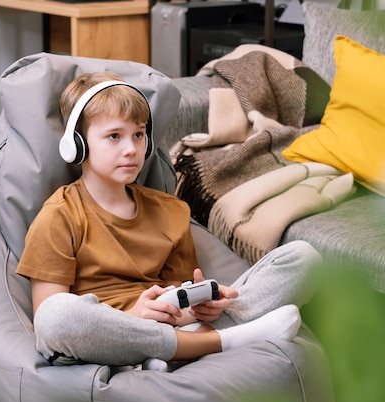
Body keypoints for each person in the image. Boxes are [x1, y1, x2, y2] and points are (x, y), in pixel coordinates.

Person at [16, 71, 322, 369]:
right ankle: (220, 342)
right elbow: (46, 318)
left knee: (303, 257)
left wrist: (201, 308)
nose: (131, 149)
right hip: (103, 337)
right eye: (114, 136)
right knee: (57, 316)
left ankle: (180, 348)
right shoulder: (59, 214)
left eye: (138, 134)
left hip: (170, 328)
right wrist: (134, 317)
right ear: (78, 145)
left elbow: (176, 300)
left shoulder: (170, 211)